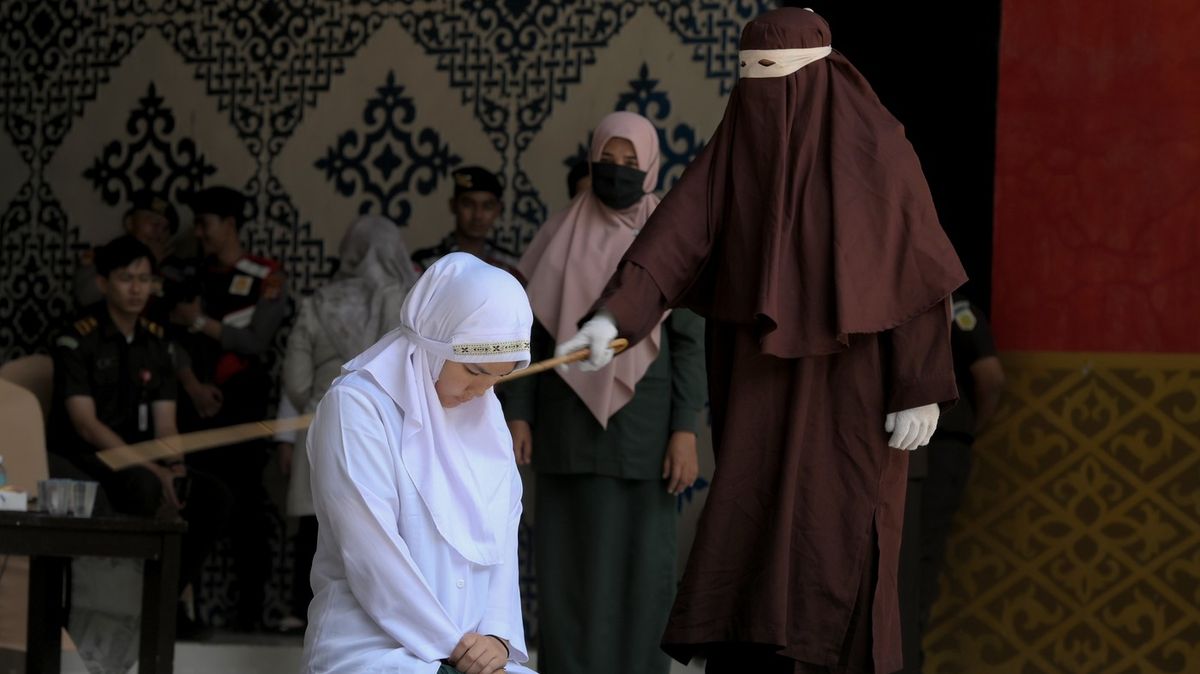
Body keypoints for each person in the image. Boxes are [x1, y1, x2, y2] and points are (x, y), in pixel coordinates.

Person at [556, 9, 967, 674]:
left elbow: (916, 266)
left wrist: (919, 384)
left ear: (819, 76)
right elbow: (676, 235)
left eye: (776, 80)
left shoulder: (879, 152)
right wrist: (617, 317)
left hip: (852, 392)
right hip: (758, 387)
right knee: (750, 530)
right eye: (751, 82)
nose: (763, 100)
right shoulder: (740, 144)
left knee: (838, 535)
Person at [503, 111, 706, 674]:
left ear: (652, 166)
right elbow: (527, 336)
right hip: (565, 429)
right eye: (606, 160)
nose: (617, 171)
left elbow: (690, 343)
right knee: (567, 574)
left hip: (645, 436)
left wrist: (685, 430)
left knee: (644, 573)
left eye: (629, 161)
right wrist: (518, 414)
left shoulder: (671, 238)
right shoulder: (558, 233)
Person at [303, 253, 535, 674]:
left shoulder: (487, 418)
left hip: (471, 653)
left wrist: (498, 637)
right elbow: (371, 553)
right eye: (474, 371)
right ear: (434, 344)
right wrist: (455, 646)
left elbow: (503, 536)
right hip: (374, 649)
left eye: (497, 378)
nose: (481, 391)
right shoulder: (357, 407)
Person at [49, 235, 232, 632]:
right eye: (126, 278)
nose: (136, 289)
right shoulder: (77, 337)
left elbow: (166, 423)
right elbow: (86, 425)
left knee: (209, 496)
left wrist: (175, 468)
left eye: (145, 279)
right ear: (103, 283)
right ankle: (113, 612)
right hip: (86, 458)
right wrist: (154, 470)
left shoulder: (157, 342)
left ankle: (159, 605)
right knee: (144, 487)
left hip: (141, 460)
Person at [274, 215, 420, 634]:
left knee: (315, 519)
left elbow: (295, 381)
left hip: (321, 417)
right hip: (385, 425)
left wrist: (322, 393)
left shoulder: (318, 302)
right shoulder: (409, 304)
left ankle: (302, 611)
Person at [169, 185, 288, 630]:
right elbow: (170, 338)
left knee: (248, 507)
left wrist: (199, 321)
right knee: (187, 504)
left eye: (205, 223)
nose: (198, 233)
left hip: (243, 403)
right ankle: (178, 609)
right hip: (192, 403)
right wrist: (192, 385)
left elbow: (255, 340)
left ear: (230, 223)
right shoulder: (189, 274)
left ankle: (251, 615)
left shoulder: (265, 276)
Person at [898, 295, 1004, 673]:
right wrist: (971, 427)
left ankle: (905, 655)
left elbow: (990, 378)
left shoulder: (924, 309)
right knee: (918, 559)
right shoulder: (953, 311)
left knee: (909, 557)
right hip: (933, 446)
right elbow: (992, 378)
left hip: (922, 446)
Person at [74, 190, 180, 309]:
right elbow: (86, 297)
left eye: (165, 229)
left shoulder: (172, 267)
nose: (159, 234)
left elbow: (179, 304)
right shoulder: (101, 256)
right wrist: (149, 262)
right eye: (154, 224)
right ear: (130, 223)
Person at [411, 167, 522, 279]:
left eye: (487, 206)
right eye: (468, 204)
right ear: (453, 205)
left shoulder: (511, 266)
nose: (477, 215)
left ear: (498, 209)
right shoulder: (427, 264)